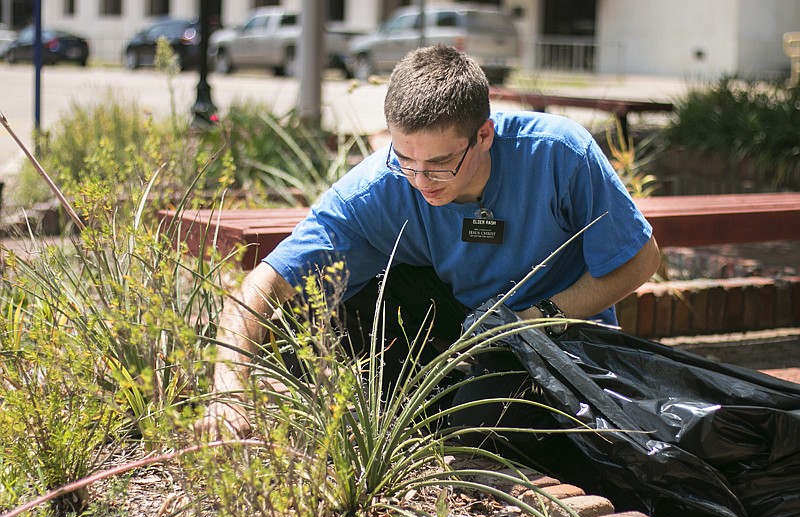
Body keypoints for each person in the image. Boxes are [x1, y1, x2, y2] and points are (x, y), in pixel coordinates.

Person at [196, 44, 660, 444]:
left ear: (484, 135)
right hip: (469, 330)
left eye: (439, 164)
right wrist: (229, 390)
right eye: (405, 159)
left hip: (564, 339)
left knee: (474, 433)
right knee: (323, 307)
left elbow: (641, 259)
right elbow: (262, 284)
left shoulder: (558, 153)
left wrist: (538, 319)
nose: (421, 182)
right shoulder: (381, 187)